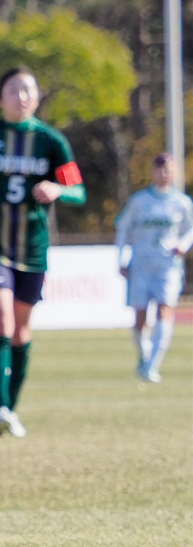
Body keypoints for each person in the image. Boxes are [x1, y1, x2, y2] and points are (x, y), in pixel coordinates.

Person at [0, 69, 86, 436]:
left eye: (28, 90)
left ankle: (10, 410)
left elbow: (79, 192)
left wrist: (59, 190)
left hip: (32, 248)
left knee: (21, 332)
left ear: (37, 97)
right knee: (1, 323)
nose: (21, 96)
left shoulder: (51, 141)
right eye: (13, 90)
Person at [115, 152, 193, 383]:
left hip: (168, 266)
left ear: (175, 172)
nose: (164, 173)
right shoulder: (139, 201)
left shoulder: (181, 202)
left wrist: (183, 245)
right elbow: (123, 229)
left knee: (165, 309)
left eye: (169, 168)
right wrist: (120, 258)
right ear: (152, 171)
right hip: (141, 263)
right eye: (160, 168)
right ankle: (144, 353)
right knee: (141, 315)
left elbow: (190, 229)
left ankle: (153, 365)